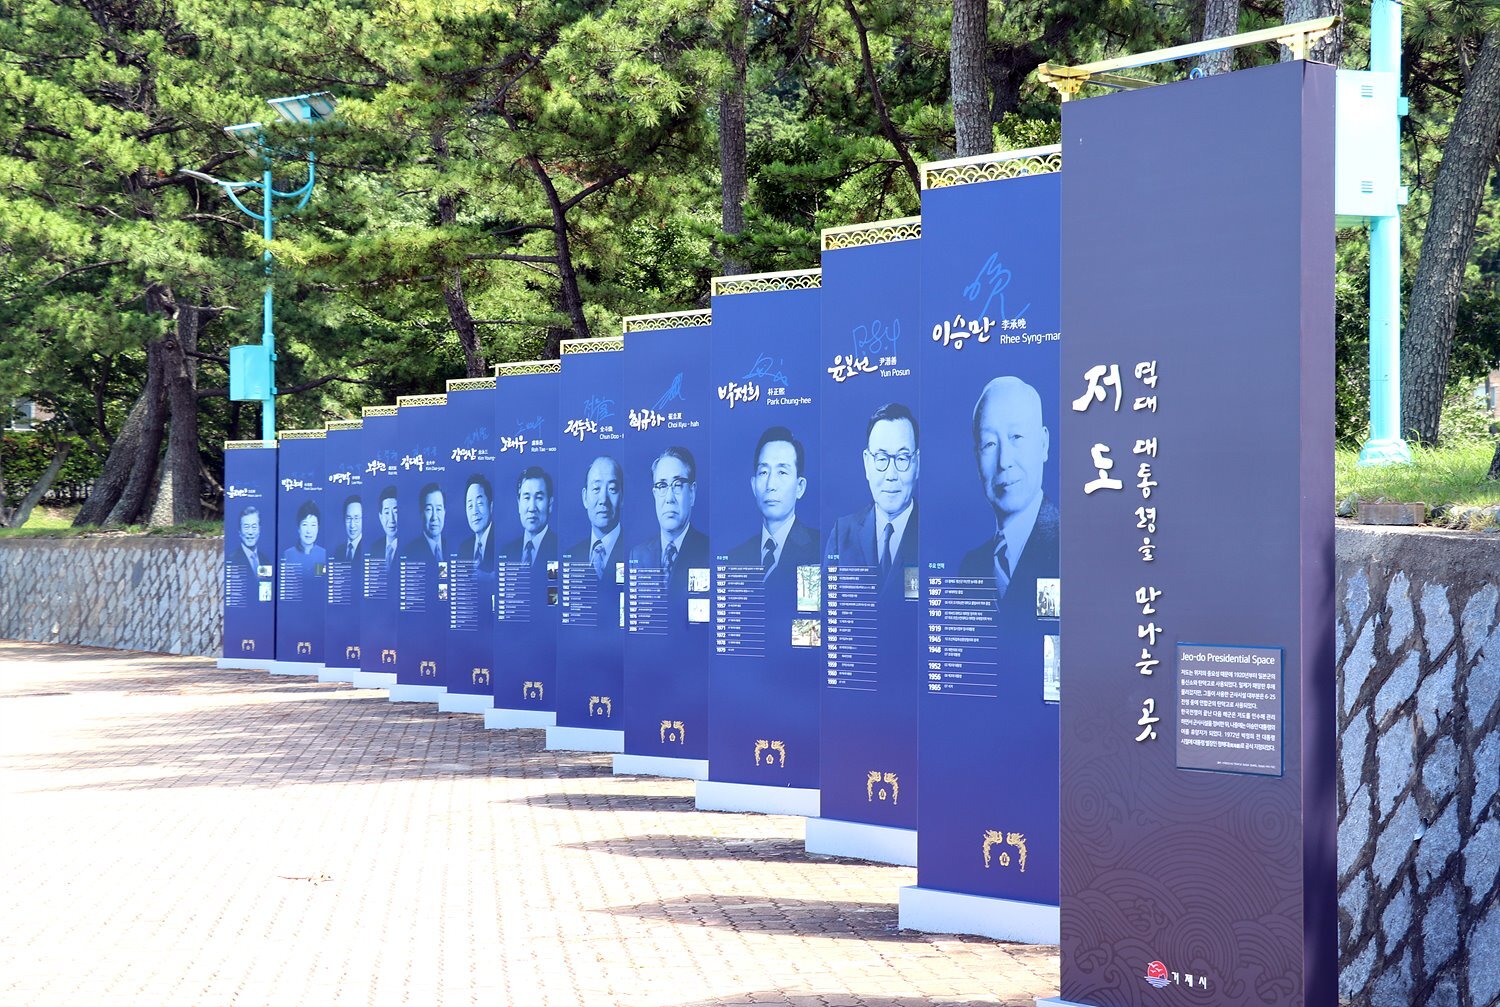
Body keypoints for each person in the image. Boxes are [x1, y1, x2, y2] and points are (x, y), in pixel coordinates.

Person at [957, 376, 1059, 621]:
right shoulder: (971, 567)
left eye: (1017, 437)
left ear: (1043, 444)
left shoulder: (1070, 547)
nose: (1004, 461)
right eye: (989, 444)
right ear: (976, 457)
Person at [825, 403, 919, 595]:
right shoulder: (842, 534)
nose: (891, 475)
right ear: (867, 463)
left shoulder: (933, 534)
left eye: (902, 458)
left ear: (916, 463)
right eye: (881, 458)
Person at [728, 426, 818, 591]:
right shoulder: (735, 557)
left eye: (782, 472)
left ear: (800, 487)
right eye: (763, 472)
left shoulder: (819, 548)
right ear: (754, 486)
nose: (770, 485)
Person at [629, 446, 709, 594]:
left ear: (692, 493)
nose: (669, 498)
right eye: (662, 486)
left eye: (677, 485)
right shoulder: (638, 555)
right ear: (654, 494)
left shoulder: (709, 550)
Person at [569, 456, 623, 580]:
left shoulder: (634, 552)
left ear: (622, 497)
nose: (603, 500)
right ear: (585, 498)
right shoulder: (572, 556)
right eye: (596, 489)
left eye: (612, 489)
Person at [498, 467, 556, 567]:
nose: (532, 508)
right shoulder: (507, 552)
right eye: (526, 498)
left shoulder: (557, 548)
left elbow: (552, 576)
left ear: (550, 504)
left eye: (539, 498)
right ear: (519, 503)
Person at [457, 473, 497, 573]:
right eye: (470, 506)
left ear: (491, 506)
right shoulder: (464, 548)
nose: (474, 511)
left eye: (479, 503)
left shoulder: (500, 542)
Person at [403, 482, 447, 566]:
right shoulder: (410, 552)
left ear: (444, 512)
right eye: (429, 509)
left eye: (438, 509)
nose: (434, 517)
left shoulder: (452, 547)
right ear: (421, 513)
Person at [282, 500, 327, 572]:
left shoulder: (323, 554)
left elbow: (320, 577)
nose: (309, 531)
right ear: (298, 528)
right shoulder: (288, 555)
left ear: (318, 528)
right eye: (305, 524)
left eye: (313, 525)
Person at [232, 505, 271, 582]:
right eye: (246, 527)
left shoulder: (265, 559)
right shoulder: (232, 560)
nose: (250, 532)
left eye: (254, 527)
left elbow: (266, 582)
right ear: (239, 531)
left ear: (259, 530)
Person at [368, 486, 399, 569]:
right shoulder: (375, 548)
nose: (391, 519)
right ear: (380, 517)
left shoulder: (408, 548)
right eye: (387, 512)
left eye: (396, 512)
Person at [334, 495, 363, 561]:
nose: (352, 525)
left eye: (356, 518)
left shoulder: (368, 548)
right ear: (344, 519)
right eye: (348, 518)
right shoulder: (338, 551)